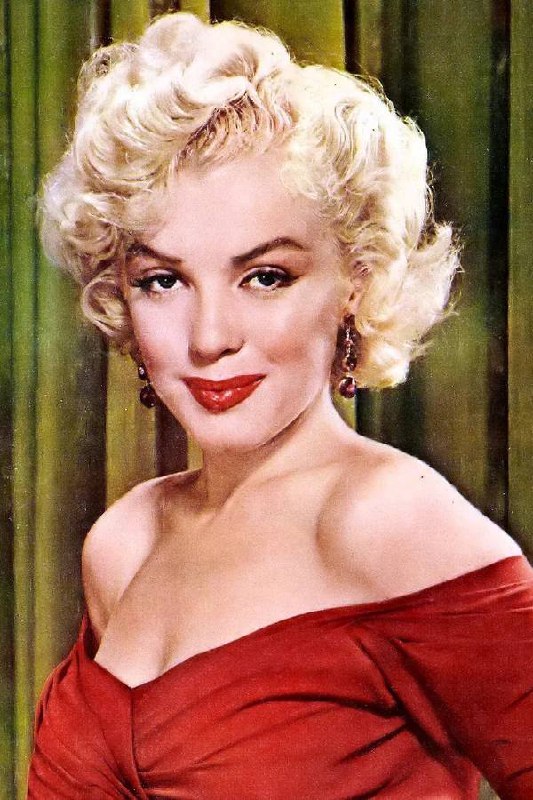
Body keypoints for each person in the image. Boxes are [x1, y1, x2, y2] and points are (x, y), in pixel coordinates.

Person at [27, 11, 532, 800]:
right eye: (163, 280)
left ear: (355, 280)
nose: (209, 337)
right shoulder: (123, 544)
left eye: (265, 277)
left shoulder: (388, 521)